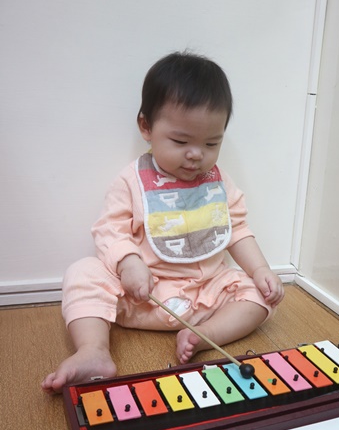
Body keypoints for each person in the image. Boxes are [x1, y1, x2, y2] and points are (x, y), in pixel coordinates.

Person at [42, 51, 284, 394]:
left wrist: (261, 270)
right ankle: (93, 350)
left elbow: (237, 230)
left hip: (205, 296)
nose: (196, 154)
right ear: (146, 127)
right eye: (181, 141)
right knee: (83, 272)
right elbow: (110, 230)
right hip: (143, 296)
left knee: (259, 295)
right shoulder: (132, 181)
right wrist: (129, 263)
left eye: (211, 143)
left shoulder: (218, 184)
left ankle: (206, 336)